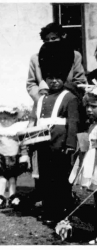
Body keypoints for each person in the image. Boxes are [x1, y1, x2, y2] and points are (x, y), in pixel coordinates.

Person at [26, 22, 87, 206]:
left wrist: (61, 90)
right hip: (44, 107)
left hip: (66, 104)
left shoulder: (74, 55)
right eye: (47, 40)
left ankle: (64, 196)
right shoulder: (36, 58)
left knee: (63, 157)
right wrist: (41, 97)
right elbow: (31, 84)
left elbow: (79, 81)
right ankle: (43, 194)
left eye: (55, 38)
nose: (51, 42)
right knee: (41, 154)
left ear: (62, 38)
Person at [34, 41, 80, 225]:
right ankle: (49, 209)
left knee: (60, 180)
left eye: (58, 77)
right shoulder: (42, 99)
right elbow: (34, 119)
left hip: (60, 146)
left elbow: (73, 122)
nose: (54, 81)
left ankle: (62, 210)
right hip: (43, 145)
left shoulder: (70, 98)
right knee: (46, 179)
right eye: (50, 77)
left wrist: (70, 144)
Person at [0, 103, 30, 209]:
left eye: (6, 118)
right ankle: (0, 197)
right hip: (1, 157)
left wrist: (24, 155)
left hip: (13, 157)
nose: (3, 121)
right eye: (1, 119)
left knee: (12, 179)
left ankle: (12, 196)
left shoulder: (17, 130)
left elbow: (23, 144)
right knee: (2, 178)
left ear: (14, 119)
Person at [69, 86, 97, 244]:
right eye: (87, 106)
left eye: (94, 106)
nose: (89, 110)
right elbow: (86, 147)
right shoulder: (92, 126)